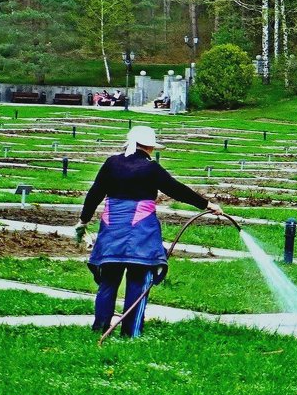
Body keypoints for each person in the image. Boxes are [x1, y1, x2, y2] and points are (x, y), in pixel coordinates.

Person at [75, 125, 222, 338]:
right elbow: (176, 189)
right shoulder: (151, 168)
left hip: (112, 231)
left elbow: (95, 193)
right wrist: (207, 204)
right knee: (138, 279)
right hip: (141, 232)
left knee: (108, 281)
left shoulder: (111, 163)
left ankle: (99, 329)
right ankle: (131, 333)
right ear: (150, 147)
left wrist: (83, 221)